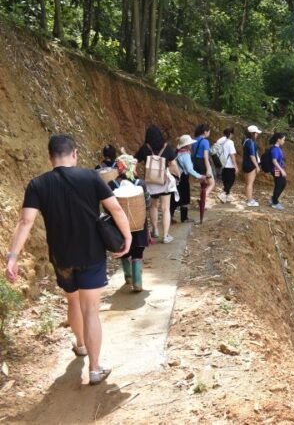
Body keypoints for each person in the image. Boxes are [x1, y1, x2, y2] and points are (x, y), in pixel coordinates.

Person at [5, 135, 131, 386]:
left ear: (50, 156)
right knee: (91, 310)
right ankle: (95, 369)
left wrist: (13, 255)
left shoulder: (38, 184)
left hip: (61, 257)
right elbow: (115, 209)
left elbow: (25, 221)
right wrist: (127, 237)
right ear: (74, 153)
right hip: (92, 253)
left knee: (72, 301)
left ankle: (81, 345)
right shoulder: (91, 177)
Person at [108, 154, 150, 292]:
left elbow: (108, 207)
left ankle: (128, 277)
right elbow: (147, 203)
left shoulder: (112, 185)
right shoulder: (140, 184)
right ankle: (138, 282)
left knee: (124, 250)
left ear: (119, 168)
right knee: (137, 252)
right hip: (139, 225)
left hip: (119, 226)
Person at [134, 125, 178, 244]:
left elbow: (134, 162)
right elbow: (173, 164)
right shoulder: (167, 147)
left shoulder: (145, 148)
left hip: (151, 182)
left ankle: (155, 230)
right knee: (165, 208)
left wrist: (135, 175)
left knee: (153, 206)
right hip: (164, 181)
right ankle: (166, 236)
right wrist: (177, 174)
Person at [173, 134, 204, 223]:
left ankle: (171, 216)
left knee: (175, 198)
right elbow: (189, 169)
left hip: (177, 176)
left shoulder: (178, 152)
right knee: (185, 198)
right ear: (186, 145)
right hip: (183, 177)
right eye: (190, 144)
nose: (191, 145)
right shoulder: (185, 154)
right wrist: (200, 176)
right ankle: (184, 217)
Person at [191, 124, 215, 203]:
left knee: (203, 184)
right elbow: (205, 156)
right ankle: (202, 199)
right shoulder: (205, 142)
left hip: (195, 163)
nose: (209, 133)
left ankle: (202, 202)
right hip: (203, 163)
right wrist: (208, 169)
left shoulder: (194, 140)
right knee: (211, 183)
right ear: (205, 132)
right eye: (209, 131)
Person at [215, 127, 238, 203]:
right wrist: (235, 166)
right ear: (231, 134)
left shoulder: (220, 140)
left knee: (225, 180)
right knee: (231, 180)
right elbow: (232, 154)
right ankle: (223, 193)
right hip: (229, 165)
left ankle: (226, 196)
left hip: (221, 163)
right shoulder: (230, 142)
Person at [242, 126, 261, 207]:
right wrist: (257, 166)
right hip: (251, 165)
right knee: (250, 183)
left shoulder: (245, 141)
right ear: (253, 133)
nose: (257, 135)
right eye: (256, 133)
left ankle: (248, 198)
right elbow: (252, 156)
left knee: (247, 183)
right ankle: (250, 201)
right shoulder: (251, 142)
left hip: (245, 164)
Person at [268, 132, 287, 210]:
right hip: (276, 170)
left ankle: (273, 199)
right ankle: (274, 202)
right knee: (279, 184)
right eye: (283, 139)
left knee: (282, 184)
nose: (284, 141)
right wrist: (281, 170)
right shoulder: (275, 149)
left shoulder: (278, 148)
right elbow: (274, 161)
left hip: (277, 169)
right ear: (278, 140)